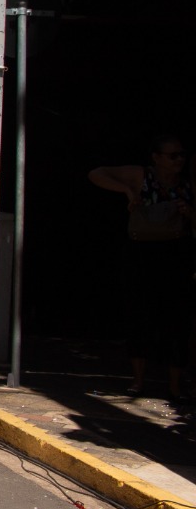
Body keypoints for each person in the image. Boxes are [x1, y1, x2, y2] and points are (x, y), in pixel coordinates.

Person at [89, 134, 193, 399]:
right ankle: (138, 380)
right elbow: (97, 174)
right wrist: (127, 191)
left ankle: (175, 385)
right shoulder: (141, 176)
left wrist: (188, 212)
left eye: (181, 155)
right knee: (140, 313)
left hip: (175, 251)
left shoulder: (187, 184)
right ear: (157, 158)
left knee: (176, 318)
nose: (178, 160)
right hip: (142, 251)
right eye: (172, 156)